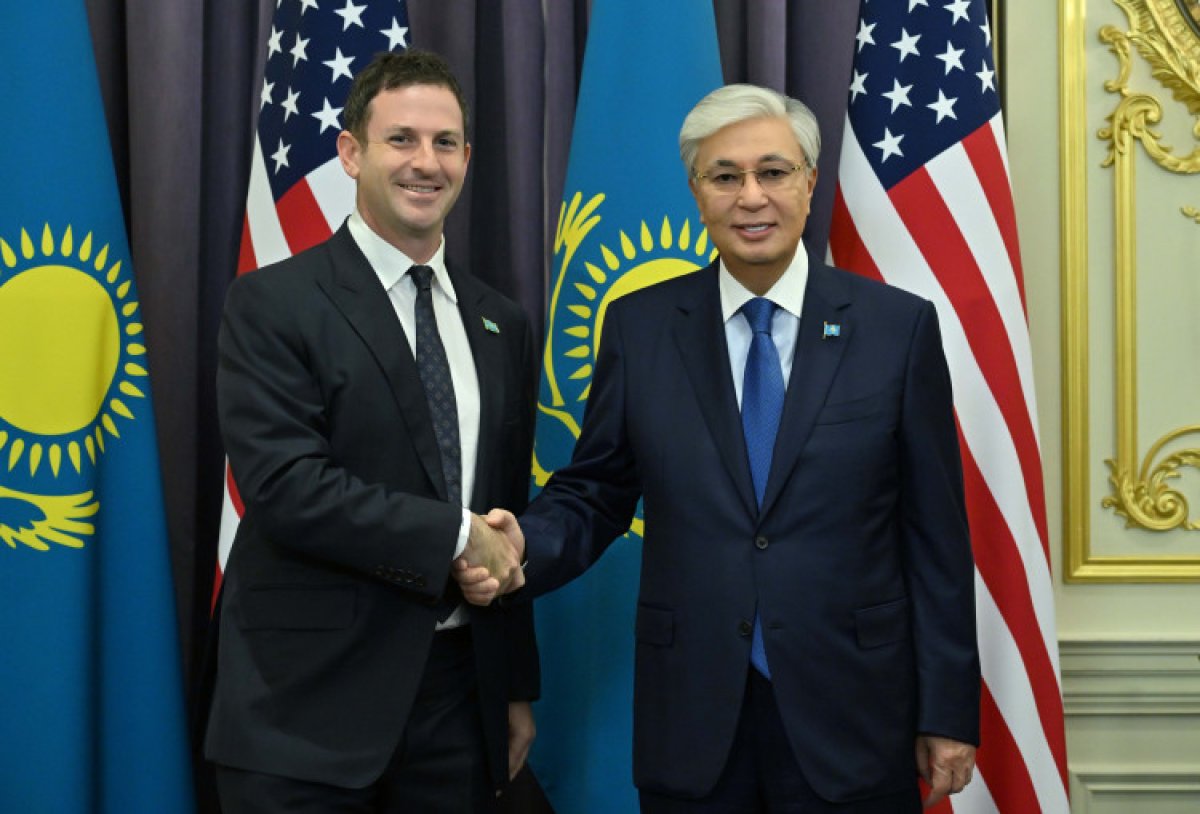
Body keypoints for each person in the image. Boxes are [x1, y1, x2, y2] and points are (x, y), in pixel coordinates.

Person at [461, 84, 980, 812]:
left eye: (773, 172)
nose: (751, 197)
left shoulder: (897, 329)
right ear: (697, 194)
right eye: (725, 176)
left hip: (855, 714)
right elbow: (597, 490)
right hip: (693, 716)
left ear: (809, 183)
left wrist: (947, 710)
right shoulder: (641, 326)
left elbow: (936, 538)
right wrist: (522, 545)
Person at [205, 50, 537, 813]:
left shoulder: (501, 322)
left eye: (445, 142)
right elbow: (286, 489)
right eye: (401, 139)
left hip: (459, 705)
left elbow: (503, 512)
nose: (426, 162)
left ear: (467, 158)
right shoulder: (272, 303)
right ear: (351, 153)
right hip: (304, 712)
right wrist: (455, 535)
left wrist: (514, 684)